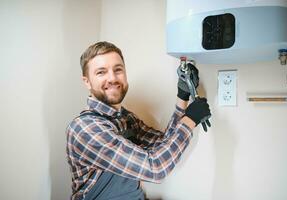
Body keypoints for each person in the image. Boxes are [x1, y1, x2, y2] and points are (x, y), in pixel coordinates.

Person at [66, 41, 211, 200]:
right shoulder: (85, 129)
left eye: (118, 70)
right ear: (87, 81)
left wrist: (182, 96)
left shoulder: (125, 118)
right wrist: (190, 120)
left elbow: (164, 144)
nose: (112, 78)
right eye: (101, 72)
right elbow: (156, 168)